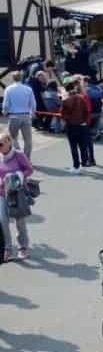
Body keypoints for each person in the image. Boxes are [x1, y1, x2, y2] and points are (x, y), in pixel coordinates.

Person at [0, 132, 34, 261]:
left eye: (1, 144)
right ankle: (7, 248)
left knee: (19, 220)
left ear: (9, 142)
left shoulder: (18, 155)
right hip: (2, 192)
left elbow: (29, 169)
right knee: (3, 220)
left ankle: (23, 247)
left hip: (16, 193)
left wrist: (19, 175)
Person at [3, 71, 36, 159]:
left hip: (14, 116)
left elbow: (6, 105)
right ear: (21, 78)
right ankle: (27, 158)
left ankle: (19, 156)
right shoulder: (28, 89)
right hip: (26, 115)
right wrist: (32, 114)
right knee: (28, 139)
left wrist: (4, 113)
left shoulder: (9, 89)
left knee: (13, 138)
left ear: (13, 78)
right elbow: (33, 104)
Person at [60, 81, 89, 174]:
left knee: (73, 147)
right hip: (82, 125)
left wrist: (68, 121)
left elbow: (63, 114)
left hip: (72, 126)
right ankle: (84, 165)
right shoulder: (81, 98)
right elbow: (86, 111)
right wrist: (84, 121)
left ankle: (76, 166)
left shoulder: (66, 100)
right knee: (83, 146)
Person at [84, 76, 103, 141]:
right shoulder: (99, 88)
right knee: (98, 119)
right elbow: (102, 96)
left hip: (90, 113)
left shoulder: (86, 90)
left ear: (86, 82)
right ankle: (97, 132)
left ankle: (86, 133)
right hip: (99, 111)